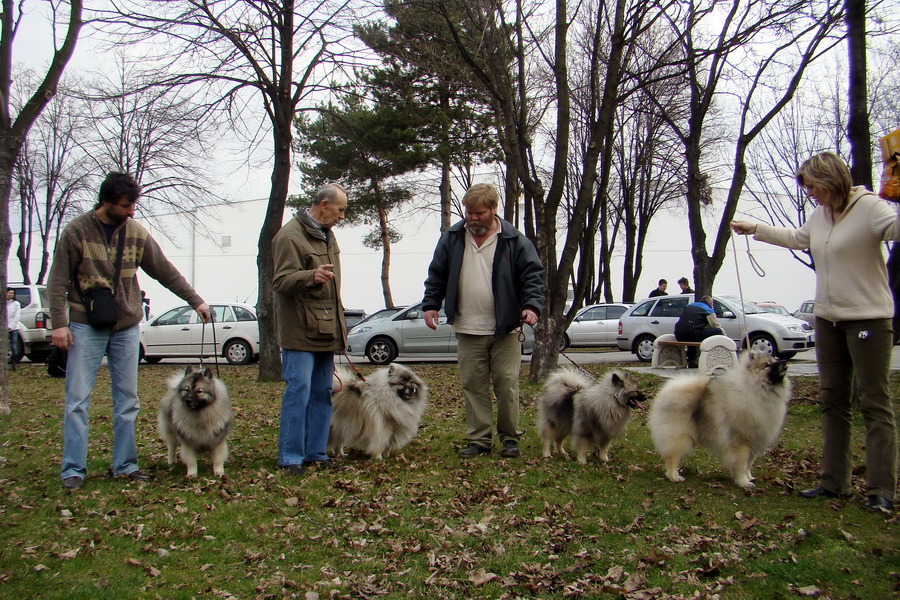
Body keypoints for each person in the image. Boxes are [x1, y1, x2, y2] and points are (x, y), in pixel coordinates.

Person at [732, 151, 897, 514]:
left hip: (868, 319)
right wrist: (756, 228)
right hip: (827, 320)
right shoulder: (821, 215)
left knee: (873, 402)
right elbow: (798, 238)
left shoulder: (871, 208)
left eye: (813, 187)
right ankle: (834, 483)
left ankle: (881, 489)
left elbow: (894, 228)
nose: (811, 195)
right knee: (833, 401)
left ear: (830, 180)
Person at [48, 172, 210, 491]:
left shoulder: (135, 232)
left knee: (127, 399)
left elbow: (165, 271)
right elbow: (58, 280)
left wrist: (196, 301)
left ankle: (125, 465)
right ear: (106, 201)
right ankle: (73, 470)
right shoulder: (76, 231)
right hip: (84, 323)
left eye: (134, 204)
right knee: (77, 400)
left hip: (125, 326)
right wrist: (59, 323)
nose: (131, 211)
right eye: (125, 205)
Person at [422, 183, 544, 459]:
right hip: (467, 327)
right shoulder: (452, 237)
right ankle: (479, 440)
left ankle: (510, 438)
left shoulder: (514, 240)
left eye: (478, 213)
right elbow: (437, 274)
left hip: (506, 328)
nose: (472, 218)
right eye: (468, 212)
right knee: (473, 385)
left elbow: (532, 277)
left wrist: (532, 306)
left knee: (507, 384)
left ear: (492, 210)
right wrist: (430, 305)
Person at [272, 183, 349, 475]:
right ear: (325, 204)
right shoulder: (290, 236)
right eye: (340, 209)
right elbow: (280, 282)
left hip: (325, 328)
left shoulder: (328, 236)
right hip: (298, 330)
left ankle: (317, 453)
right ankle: (291, 457)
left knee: (322, 392)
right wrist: (310, 276)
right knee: (299, 391)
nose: (342, 216)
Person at [674, 295, 724, 367]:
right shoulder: (707, 310)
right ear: (710, 303)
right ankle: (717, 356)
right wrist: (726, 339)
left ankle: (692, 361)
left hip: (679, 334)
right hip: (693, 334)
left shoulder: (689, 306)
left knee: (691, 336)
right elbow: (715, 325)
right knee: (718, 331)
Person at [6, 288, 22, 370]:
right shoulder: (3, 304)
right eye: (9, 293)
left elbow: (17, 316)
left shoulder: (16, 304)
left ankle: (14, 364)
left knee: (14, 346)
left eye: (12, 293)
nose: (11, 295)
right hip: (3, 328)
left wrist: (10, 326)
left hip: (13, 328)